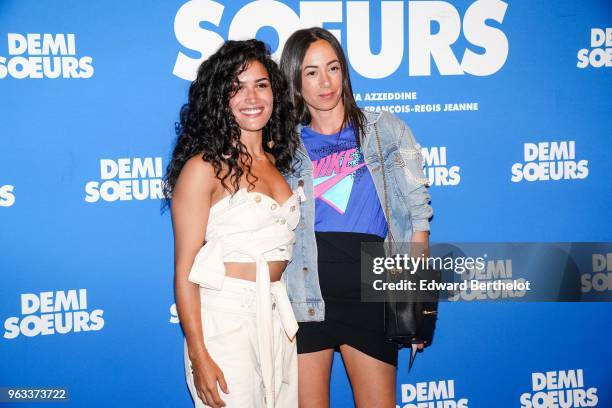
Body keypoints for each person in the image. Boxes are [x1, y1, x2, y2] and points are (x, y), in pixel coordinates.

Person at [280, 28, 433, 408]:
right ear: (296, 81)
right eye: (312, 72)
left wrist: (412, 300)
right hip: (304, 296)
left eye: (333, 68)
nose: (325, 81)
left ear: (345, 72)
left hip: (372, 295)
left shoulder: (387, 131)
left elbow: (418, 219)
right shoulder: (284, 145)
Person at [164, 39, 302, 408]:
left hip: (277, 317)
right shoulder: (203, 169)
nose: (251, 97)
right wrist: (198, 354)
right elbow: (184, 272)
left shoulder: (279, 163)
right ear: (219, 98)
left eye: (260, 84)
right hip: (225, 321)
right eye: (236, 88)